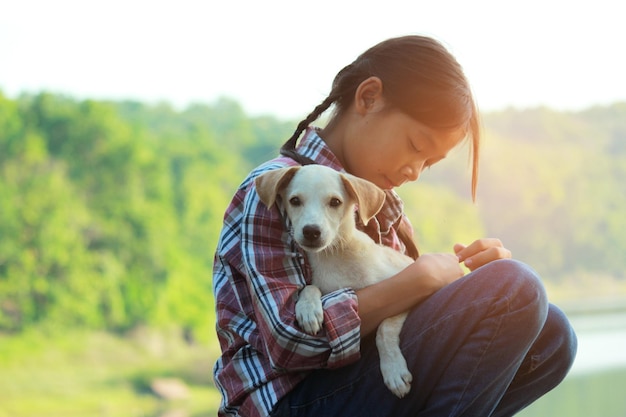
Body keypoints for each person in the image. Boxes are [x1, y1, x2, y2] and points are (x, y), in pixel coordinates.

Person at [212, 35, 577, 417]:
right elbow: (290, 341)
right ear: (368, 98)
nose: (414, 172)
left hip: (365, 381)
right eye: (416, 146)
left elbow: (406, 319)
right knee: (517, 287)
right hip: (288, 402)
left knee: (552, 335)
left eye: (428, 163)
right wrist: (421, 282)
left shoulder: (385, 211)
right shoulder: (279, 188)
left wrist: (471, 288)